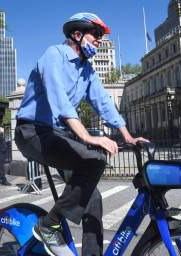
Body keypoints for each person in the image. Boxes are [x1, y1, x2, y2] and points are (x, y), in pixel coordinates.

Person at [15, 12, 148, 256]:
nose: (99, 40)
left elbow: (104, 103)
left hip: (57, 134)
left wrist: (127, 135)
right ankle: (48, 225)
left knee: (92, 197)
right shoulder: (54, 55)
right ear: (77, 35)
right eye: (95, 34)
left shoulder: (86, 71)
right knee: (94, 159)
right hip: (31, 131)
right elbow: (59, 100)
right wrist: (87, 137)